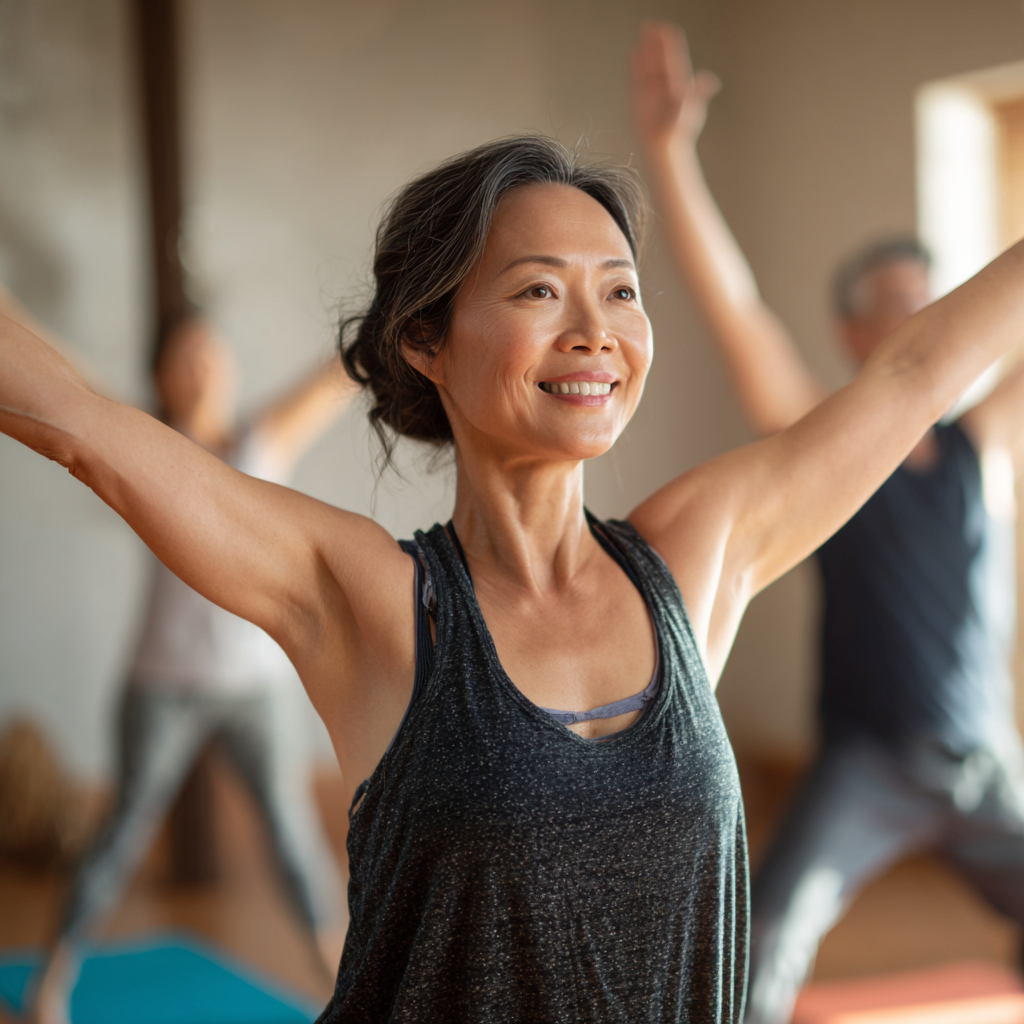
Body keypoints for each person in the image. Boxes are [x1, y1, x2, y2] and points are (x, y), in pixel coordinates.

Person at [4, 131, 1024, 1024]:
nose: (595, 330)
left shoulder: (693, 557)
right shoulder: (371, 600)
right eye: (539, 289)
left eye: (619, 290)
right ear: (426, 342)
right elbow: (82, 426)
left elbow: (910, 375)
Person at [632, 21, 1024, 1024]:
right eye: (896, 306)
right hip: (866, 762)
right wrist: (671, 156)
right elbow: (737, 309)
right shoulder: (822, 445)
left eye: (930, 302)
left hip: (982, 756)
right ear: (853, 334)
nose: (922, 320)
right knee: (757, 948)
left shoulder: (983, 439)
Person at [0, 284, 356, 1024]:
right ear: (162, 376)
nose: (197, 371)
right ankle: (50, 988)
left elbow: (340, 374)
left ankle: (350, 991)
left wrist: (411, 292)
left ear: (228, 367)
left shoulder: (262, 443)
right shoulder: (145, 446)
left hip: (252, 688)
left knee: (293, 843)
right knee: (119, 836)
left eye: (208, 356)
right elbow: (64, 385)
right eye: (181, 360)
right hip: (160, 684)